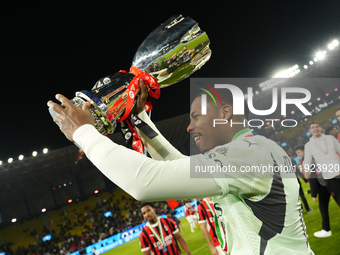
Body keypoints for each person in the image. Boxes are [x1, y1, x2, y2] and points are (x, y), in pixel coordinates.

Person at [48, 78, 314, 254]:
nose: (189, 126)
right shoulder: (253, 150)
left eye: (197, 117)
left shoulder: (247, 156)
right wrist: (138, 119)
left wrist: (84, 133)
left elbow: (143, 182)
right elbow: (179, 165)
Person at [295, 144, 332, 238]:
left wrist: (313, 194)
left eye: (299, 152)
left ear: (303, 151)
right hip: (329, 180)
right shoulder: (312, 157)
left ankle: (326, 229)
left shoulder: (307, 161)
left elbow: (313, 177)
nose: (298, 154)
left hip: (323, 184)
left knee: (323, 207)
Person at [303, 121, 340, 209]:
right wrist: (306, 170)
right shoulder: (308, 145)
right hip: (328, 176)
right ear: (310, 130)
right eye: (313, 127)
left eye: (317, 126)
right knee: (339, 199)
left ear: (321, 128)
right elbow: (307, 160)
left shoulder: (330, 138)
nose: (315, 129)